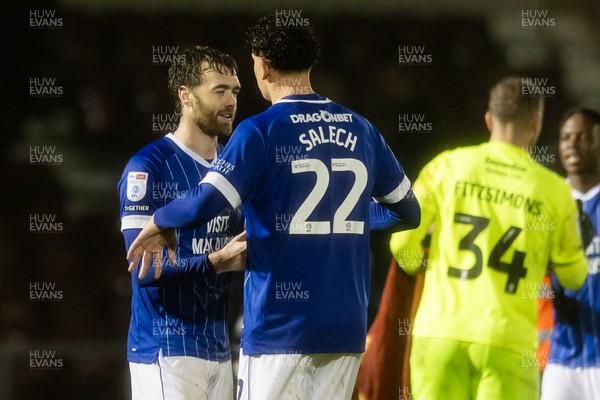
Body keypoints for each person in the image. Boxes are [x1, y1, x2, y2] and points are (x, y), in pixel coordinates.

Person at [126, 13, 421, 400]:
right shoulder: (361, 128)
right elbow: (408, 212)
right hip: (346, 329)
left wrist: (162, 220)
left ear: (262, 65)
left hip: (280, 329)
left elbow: (208, 201)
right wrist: (351, 222)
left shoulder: (261, 130)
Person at [389, 77, 589, 400]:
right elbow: (574, 276)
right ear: (536, 122)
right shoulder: (554, 191)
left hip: (440, 336)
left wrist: (416, 266)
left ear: (489, 119)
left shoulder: (447, 166)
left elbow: (401, 244)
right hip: (508, 345)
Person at [118, 46, 246, 400]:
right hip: (165, 348)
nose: (230, 101)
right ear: (186, 96)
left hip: (219, 349)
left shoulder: (234, 168)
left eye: (234, 91)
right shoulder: (148, 167)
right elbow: (143, 271)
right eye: (218, 91)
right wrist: (216, 262)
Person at [541, 108, 600, 400]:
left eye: (582, 137)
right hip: (562, 360)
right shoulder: (548, 202)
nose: (572, 145)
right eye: (565, 138)